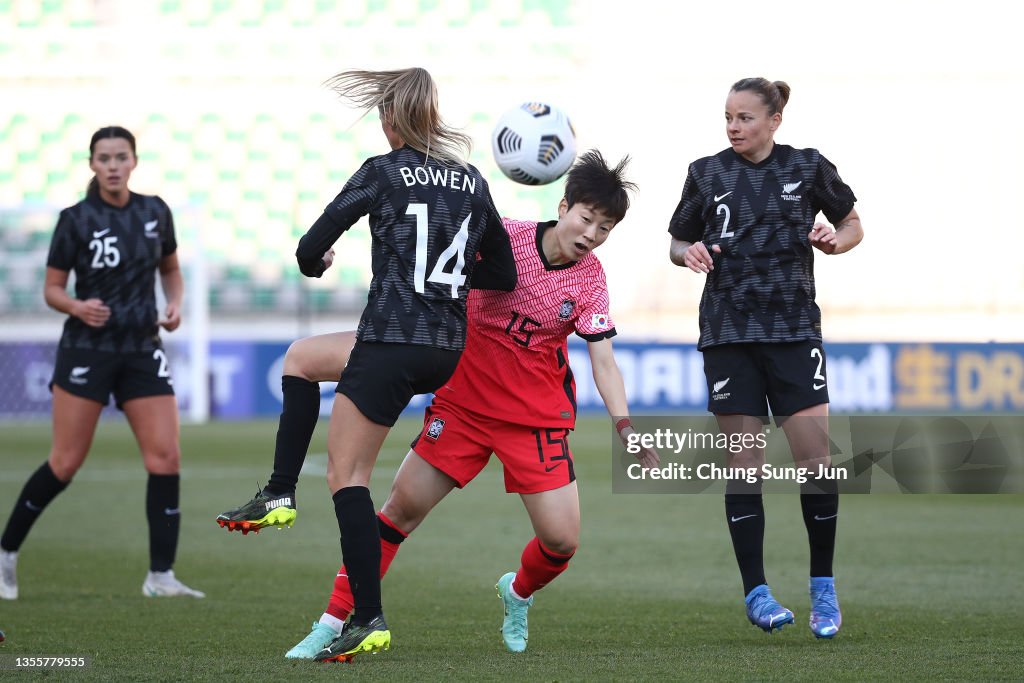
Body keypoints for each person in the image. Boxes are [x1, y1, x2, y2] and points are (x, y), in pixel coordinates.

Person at [276, 149, 660, 662]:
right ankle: (331, 621)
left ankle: (517, 592)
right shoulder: (505, 237)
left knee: (562, 542)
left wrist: (624, 427)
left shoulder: (590, 279)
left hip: (534, 419)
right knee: (396, 514)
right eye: (587, 219)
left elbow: (604, 362)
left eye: (605, 228)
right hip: (462, 408)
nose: (591, 234)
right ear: (565, 206)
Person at [222, 67, 517, 661]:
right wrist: (450, 273)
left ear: (390, 119)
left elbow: (309, 247)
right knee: (302, 359)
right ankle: (279, 490)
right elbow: (503, 274)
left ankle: (370, 616)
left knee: (347, 478)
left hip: (390, 340)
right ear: (431, 116)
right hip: (444, 347)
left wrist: (317, 263)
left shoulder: (383, 171)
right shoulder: (470, 179)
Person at [668, 78, 863, 639]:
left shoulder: (807, 166)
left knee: (815, 461)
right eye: (728, 116)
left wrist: (835, 241)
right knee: (744, 465)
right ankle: (756, 592)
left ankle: (822, 587)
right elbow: (677, 242)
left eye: (745, 117)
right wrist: (691, 253)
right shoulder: (706, 173)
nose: (733, 127)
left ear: (775, 119)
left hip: (794, 331)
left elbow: (853, 225)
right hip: (729, 335)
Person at [0, 126, 204, 600]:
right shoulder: (76, 219)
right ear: (91, 164)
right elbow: (52, 288)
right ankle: (7, 551)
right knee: (66, 462)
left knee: (166, 457)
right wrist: (75, 306)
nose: (113, 165)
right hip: (87, 349)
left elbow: (171, 270)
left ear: (134, 161)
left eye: (121, 157)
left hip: (141, 346)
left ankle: (160, 576)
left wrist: (175, 303)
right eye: (104, 158)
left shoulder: (156, 211)